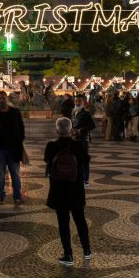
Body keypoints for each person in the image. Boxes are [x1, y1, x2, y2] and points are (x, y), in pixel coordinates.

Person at [44, 117, 92, 266]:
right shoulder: (78, 145)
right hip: (75, 189)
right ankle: (87, 251)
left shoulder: (51, 146)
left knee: (63, 223)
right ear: (71, 130)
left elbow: (47, 160)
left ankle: (68, 255)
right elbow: (86, 160)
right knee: (80, 220)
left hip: (59, 190)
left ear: (57, 130)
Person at [0, 90, 28, 204]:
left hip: (13, 148)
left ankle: (17, 196)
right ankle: (1, 195)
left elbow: (21, 128)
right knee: (0, 174)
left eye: (3, 98)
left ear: (7, 99)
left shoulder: (15, 112)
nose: (1, 101)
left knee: (15, 173)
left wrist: (20, 142)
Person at [70, 97, 96, 187]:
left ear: (83, 102)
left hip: (83, 139)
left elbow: (92, 125)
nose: (77, 103)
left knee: (84, 160)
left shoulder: (86, 113)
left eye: (79, 101)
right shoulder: (74, 112)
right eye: (76, 101)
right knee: (76, 160)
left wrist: (81, 130)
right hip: (75, 139)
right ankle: (78, 178)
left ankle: (85, 180)